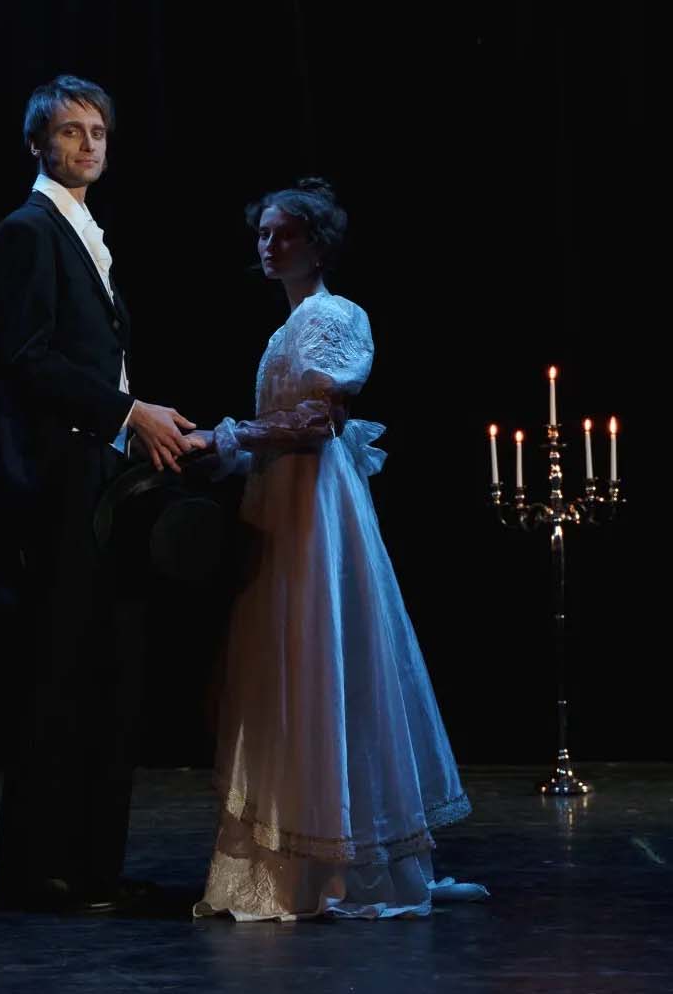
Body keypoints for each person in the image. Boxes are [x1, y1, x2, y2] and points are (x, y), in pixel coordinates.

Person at [191, 178, 487, 920]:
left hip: (315, 511)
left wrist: (227, 435)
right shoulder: (283, 330)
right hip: (282, 503)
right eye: (262, 234)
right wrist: (226, 454)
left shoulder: (334, 315)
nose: (268, 245)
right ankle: (299, 858)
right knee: (289, 659)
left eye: (284, 234)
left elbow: (317, 421)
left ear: (317, 244)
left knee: (322, 654)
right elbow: (283, 422)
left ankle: (340, 863)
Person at [0, 74, 200, 913]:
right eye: (71, 132)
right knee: (60, 675)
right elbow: (25, 357)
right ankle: (40, 871)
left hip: (98, 471)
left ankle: (93, 866)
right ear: (38, 143)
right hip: (58, 481)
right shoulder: (26, 231)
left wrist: (140, 422)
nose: (88, 145)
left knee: (107, 672)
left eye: (98, 131)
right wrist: (127, 411)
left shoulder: (79, 229)